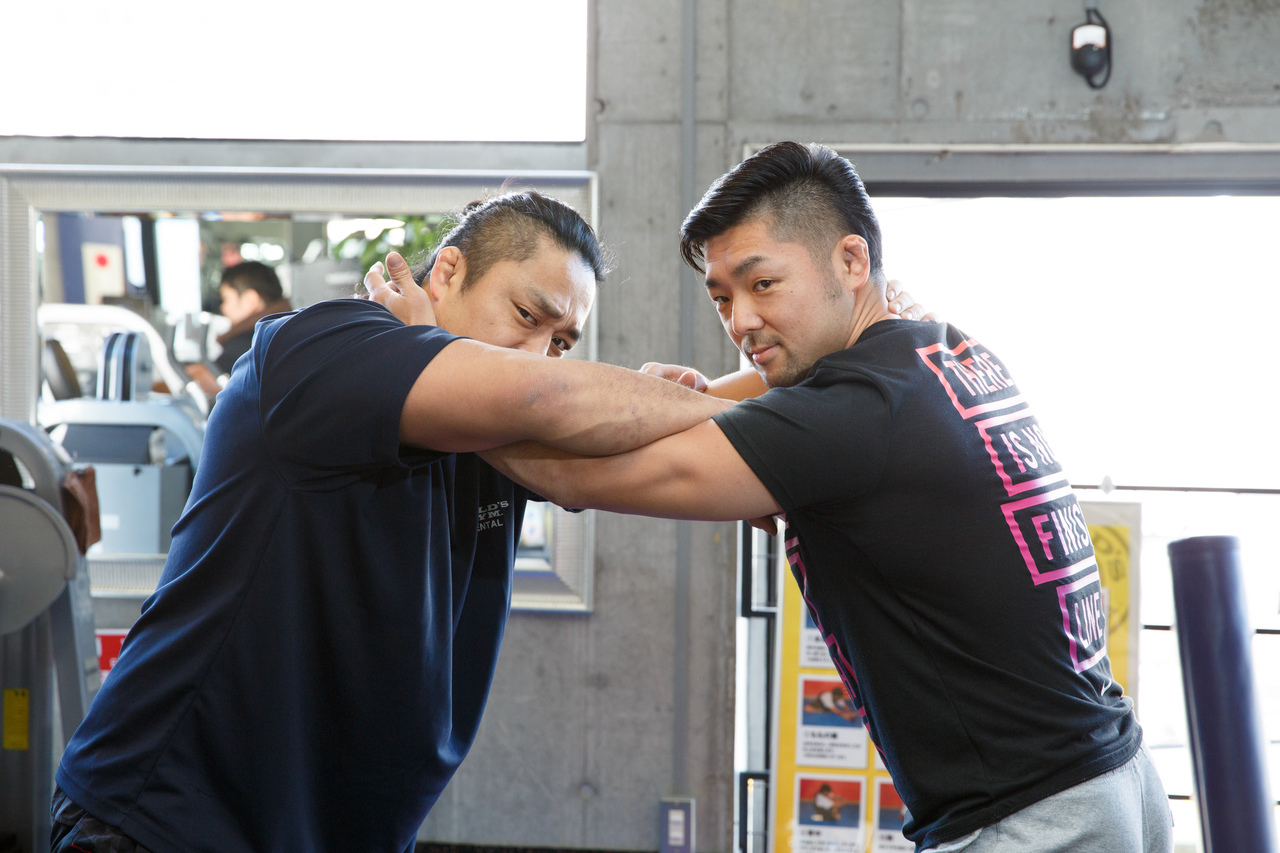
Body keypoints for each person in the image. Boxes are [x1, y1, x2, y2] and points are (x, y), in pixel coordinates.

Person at [462, 144, 1172, 852]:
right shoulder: (936, 352)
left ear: (851, 261)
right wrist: (681, 400)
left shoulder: (854, 415)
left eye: (762, 283)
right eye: (721, 297)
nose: (739, 322)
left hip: (1038, 813)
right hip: (1113, 782)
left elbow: (571, 475)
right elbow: (715, 405)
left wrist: (434, 361)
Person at [51, 191, 744, 853]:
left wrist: (803, 417)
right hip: (169, 819)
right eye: (528, 316)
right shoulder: (324, 346)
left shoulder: (502, 441)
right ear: (447, 270)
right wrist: (733, 417)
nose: (540, 351)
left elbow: (649, 451)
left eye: (563, 341)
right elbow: (546, 396)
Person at [215, 260, 293, 375]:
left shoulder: (248, 344)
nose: (223, 308)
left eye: (225, 299)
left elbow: (208, 379)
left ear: (250, 301)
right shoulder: (290, 331)